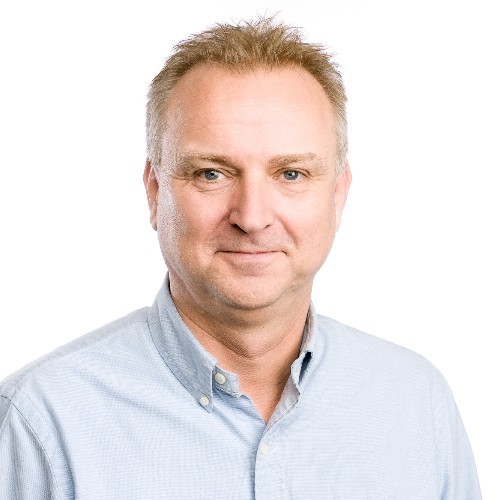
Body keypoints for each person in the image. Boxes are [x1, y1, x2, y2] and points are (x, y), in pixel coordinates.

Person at [0, 17, 481, 499]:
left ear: (338, 195)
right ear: (155, 192)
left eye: (291, 174)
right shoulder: (42, 421)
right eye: (212, 173)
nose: (252, 218)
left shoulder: (417, 405)